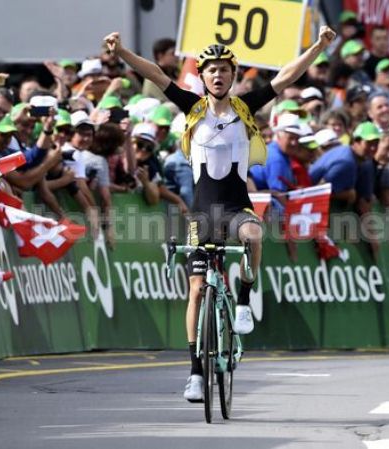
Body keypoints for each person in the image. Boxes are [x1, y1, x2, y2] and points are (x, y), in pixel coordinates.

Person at [104, 25, 337, 402]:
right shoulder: (192, 107)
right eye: (210, 69)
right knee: (196, 289)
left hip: (235, 208)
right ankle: (195, 373)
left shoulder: (246, 107)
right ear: (203, 76)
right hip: (201, 216)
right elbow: (155, 73)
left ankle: (243, 301)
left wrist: (317, 48)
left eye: (224, 69)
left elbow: (286, 76)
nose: (217, 74)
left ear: (232, 75)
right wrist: (123, 52)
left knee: (254, 234)